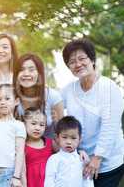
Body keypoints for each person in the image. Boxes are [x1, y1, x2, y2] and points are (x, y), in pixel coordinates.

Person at [61, 38, 124, 187]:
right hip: (81, 161)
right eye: (71, 61)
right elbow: (53, 108)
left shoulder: (109, 88)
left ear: (92, 59)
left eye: (82, 58)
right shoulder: (69, 90)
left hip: (108, 163)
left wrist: (97, 158)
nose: (78, 64)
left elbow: (110, 126)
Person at [0, 84, 26, 187]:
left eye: (7, 98)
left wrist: (16, 176)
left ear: (16, 101)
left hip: (9, 174)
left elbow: (20, 152)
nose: (3, 102)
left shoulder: (19, 125)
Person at [14, 53, 63, 138]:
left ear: (39, 73)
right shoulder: (11, 97)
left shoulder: (52, 96)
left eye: (31, 70)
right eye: (21, 70)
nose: (26, 74)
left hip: (48, 148)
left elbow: (62, 131)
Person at [44, 116, 94, 187]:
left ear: (79, 139)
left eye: (73, 138)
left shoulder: (82, 159)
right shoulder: (54, 159)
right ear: (57, 138)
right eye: (64, 137)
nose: (69, 142)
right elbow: (49, 181)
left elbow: (87, 180)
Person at [24, 107, 54, 187]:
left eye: (41, 125)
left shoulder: (50, 143)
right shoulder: (22, 146)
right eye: (33, 123)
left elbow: (66, 152)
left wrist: (80, 152)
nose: (37, 128)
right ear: (24, 124)